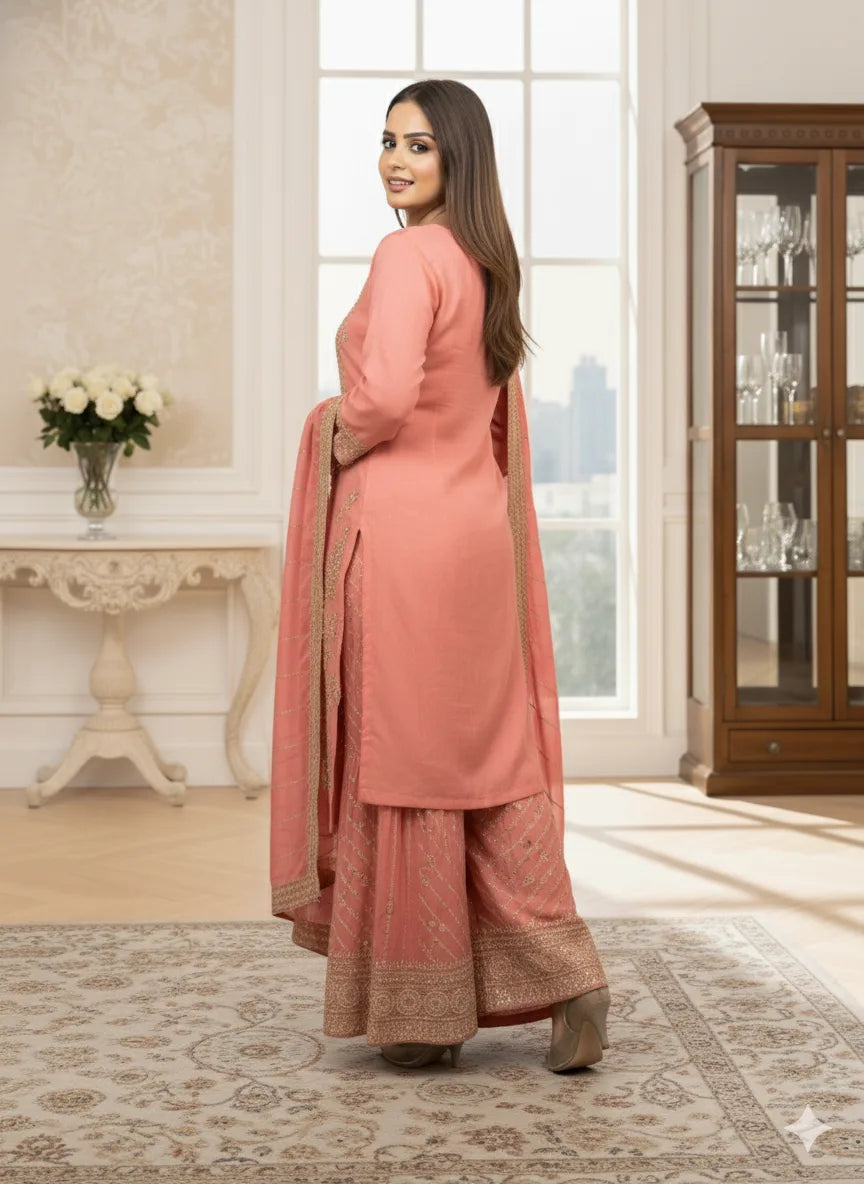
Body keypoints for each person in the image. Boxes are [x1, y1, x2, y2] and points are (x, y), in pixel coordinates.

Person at [270, 79, 610, 1073]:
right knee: (486, 765)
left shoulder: (408, 253)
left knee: (405, 763)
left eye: (418, 144)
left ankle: (419, 1013)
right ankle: (569, 973)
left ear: (458, 158)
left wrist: (328, 430)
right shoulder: (485, 262)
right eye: (386, 142)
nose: (394, 160)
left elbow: (376, 402)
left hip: (405, 541)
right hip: (475, 538)